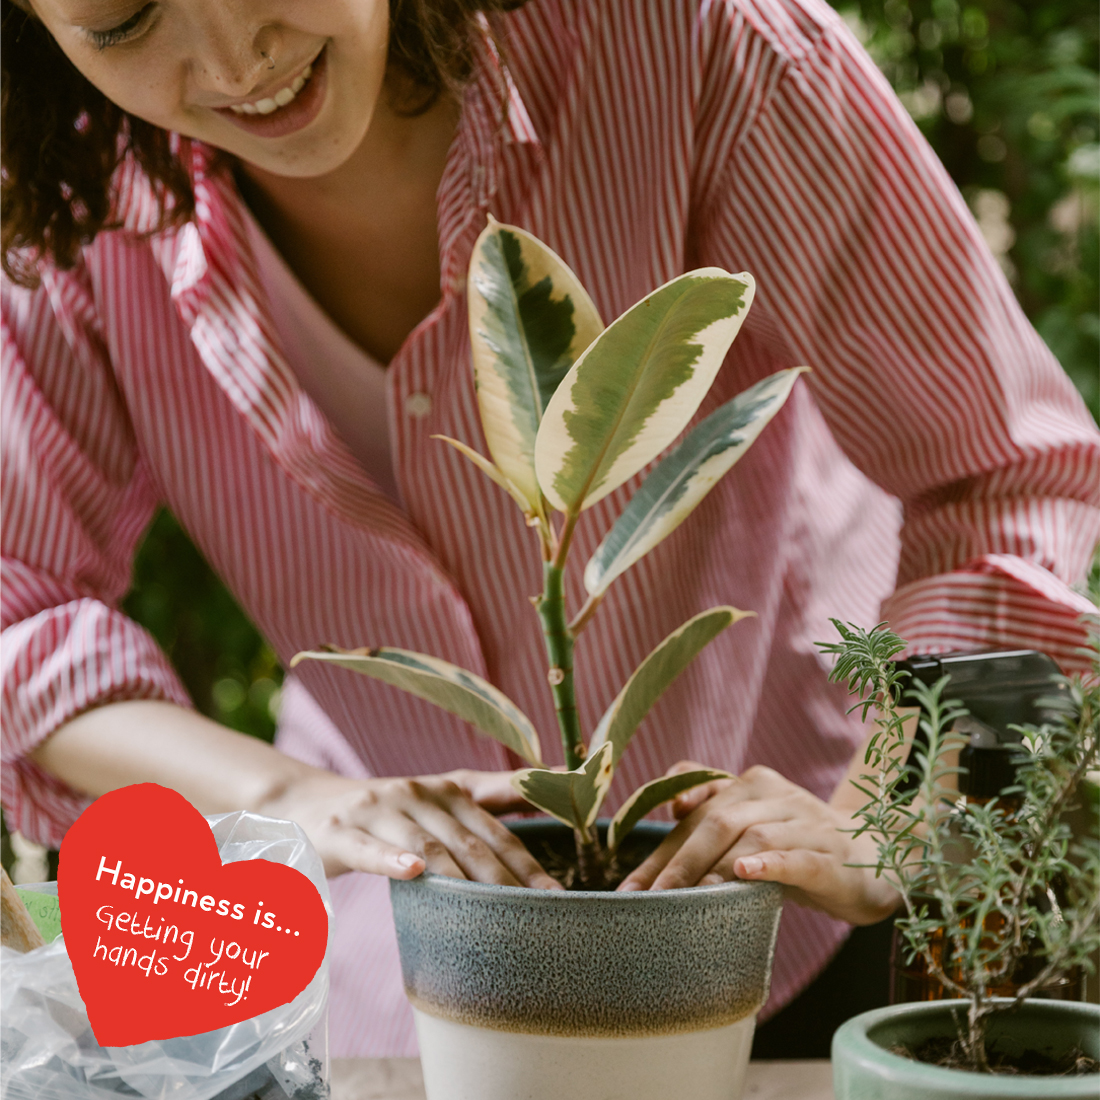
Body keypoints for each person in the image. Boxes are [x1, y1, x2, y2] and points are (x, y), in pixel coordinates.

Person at [3, 0, 1097, 1059]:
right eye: (124, 20)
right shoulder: (68, 200)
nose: (236, 57)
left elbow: (1000, 479)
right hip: (418, 952)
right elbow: (20, 608)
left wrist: (882, 820)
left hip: (790, 904)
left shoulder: (689, 40)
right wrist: (296, 800)